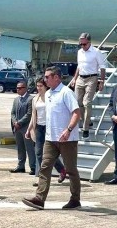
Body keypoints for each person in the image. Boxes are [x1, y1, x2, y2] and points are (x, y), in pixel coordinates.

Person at [22, 66, 81, 210]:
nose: (45, 79)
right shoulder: (48, 94)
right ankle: (39, 199)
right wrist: (32, 129)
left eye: (48, 76)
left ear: (56, 77)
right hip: (51, 138)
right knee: (45, 167)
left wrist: (68, 130)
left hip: (67, 139)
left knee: (71, 170)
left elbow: (76, 113)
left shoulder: (66, 93)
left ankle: (75, 199)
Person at [25, 77, 66, 186]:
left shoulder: (50, 96)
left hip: (49, 127)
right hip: (39, 127)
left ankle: (61, 169)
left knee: (49, 153)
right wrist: (29, 129)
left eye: (41, 86)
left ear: (46, 86)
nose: (39, 88)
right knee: (38, 153)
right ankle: (43, 178)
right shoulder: (35, 99)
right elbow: (34, 115)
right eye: (37, 86)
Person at [69, 33, 106, 139]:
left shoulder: (96, 52)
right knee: (77, 102)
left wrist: (102, 81)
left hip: (92, 78)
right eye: (80, 44)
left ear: (89, 42)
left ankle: (85, 128)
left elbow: (102, 67)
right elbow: (79, 67)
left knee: (87, 102)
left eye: (84, 44)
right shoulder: (79, 52)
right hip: (80, 78)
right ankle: (87, 120)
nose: (82, 46)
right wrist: (74, 79)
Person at [10, 81, 35, 175]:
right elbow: (12, 112)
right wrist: (14, 122)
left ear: (25, 88)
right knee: (20, 148)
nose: (18, 89)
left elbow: (29, 114)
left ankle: (33, 166)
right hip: (17, 128)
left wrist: (19, 123)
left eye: (20, 88)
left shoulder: (30, 99)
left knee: (29, 148)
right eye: (17, 88)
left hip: (26, 128)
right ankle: (21, 166)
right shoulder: (16, 99)